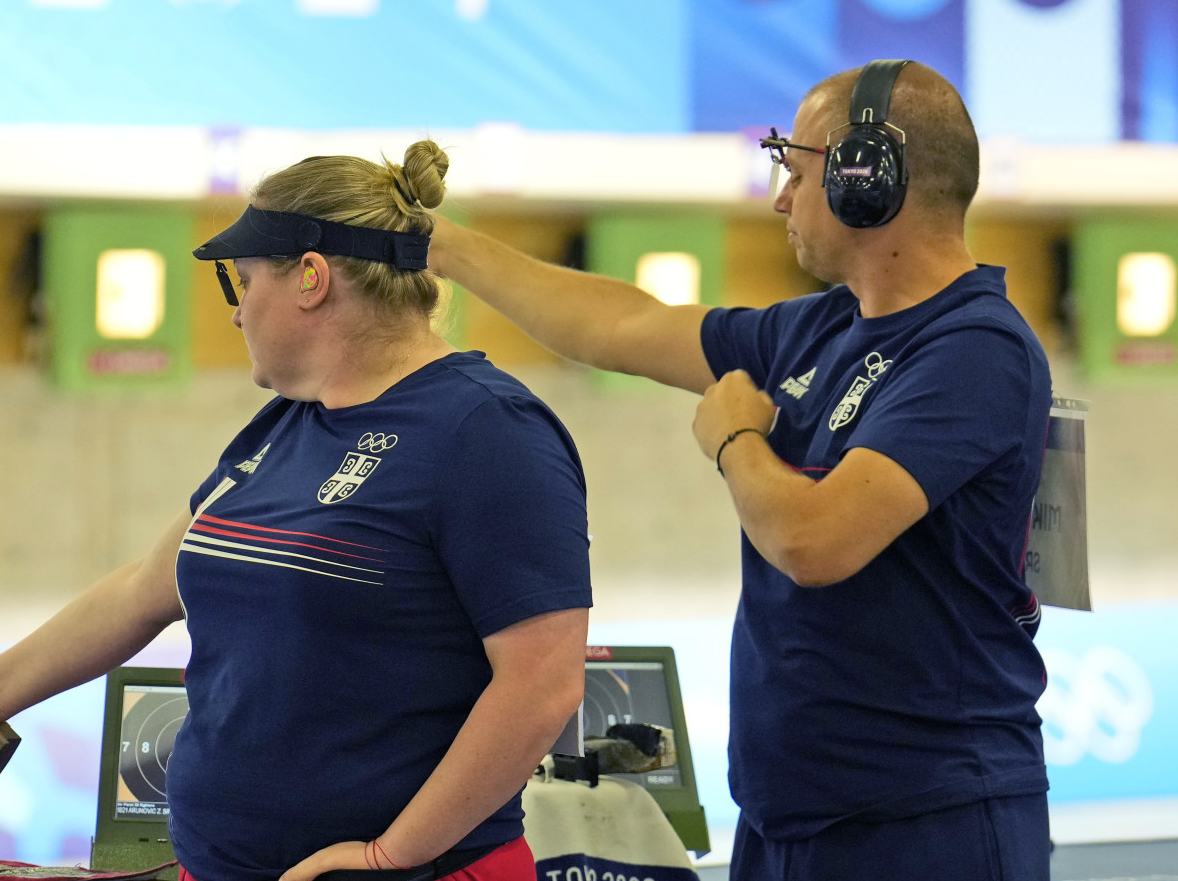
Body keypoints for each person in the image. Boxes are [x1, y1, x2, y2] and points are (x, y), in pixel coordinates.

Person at [0, 140, 593, 881]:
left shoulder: (488, 430)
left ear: (311, 279)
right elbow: (141, 592)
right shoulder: (288, 421)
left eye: (244, 282)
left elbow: (540, 681)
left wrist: (391, 853)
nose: (236, 314)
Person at [427, 61, 1052, 881]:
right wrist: (441, 244)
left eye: (794, 171)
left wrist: (734, 440)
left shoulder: (974, 349)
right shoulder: (824, 328)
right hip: (794, 814)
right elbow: (620, 325)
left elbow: (813, 539)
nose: (779, 199)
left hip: (923, 821)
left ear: (869, 178)